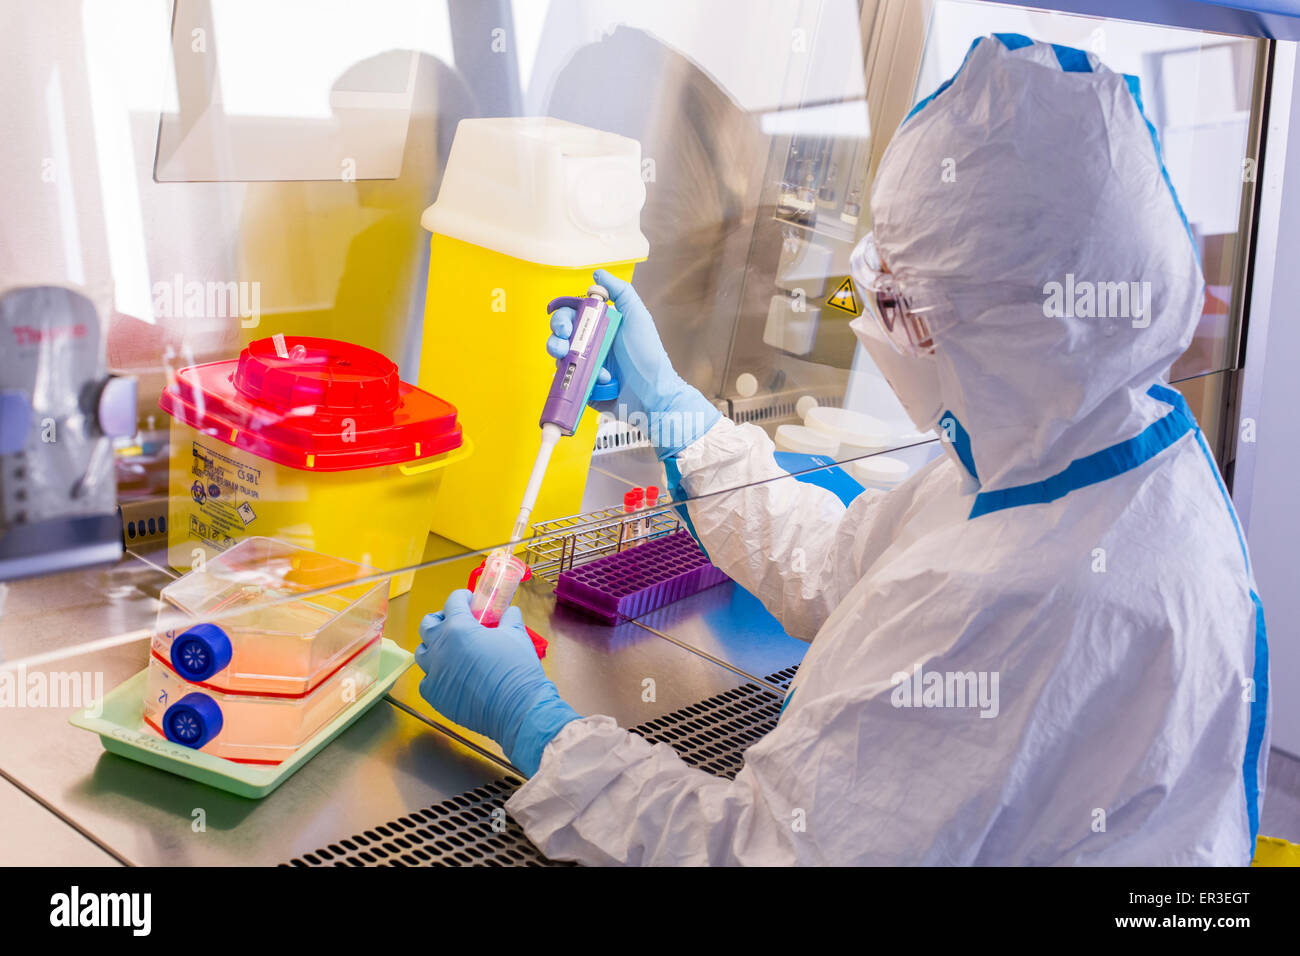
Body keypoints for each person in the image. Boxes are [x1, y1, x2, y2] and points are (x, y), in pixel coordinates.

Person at [415, 34, 1269, 865]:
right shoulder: (1076, 448)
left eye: (901, 306)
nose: (880, 333)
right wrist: (675, 412)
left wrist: (537, 727)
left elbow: (757, 855)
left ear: (1016, 326)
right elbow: (836, 567)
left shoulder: (1032, 588)